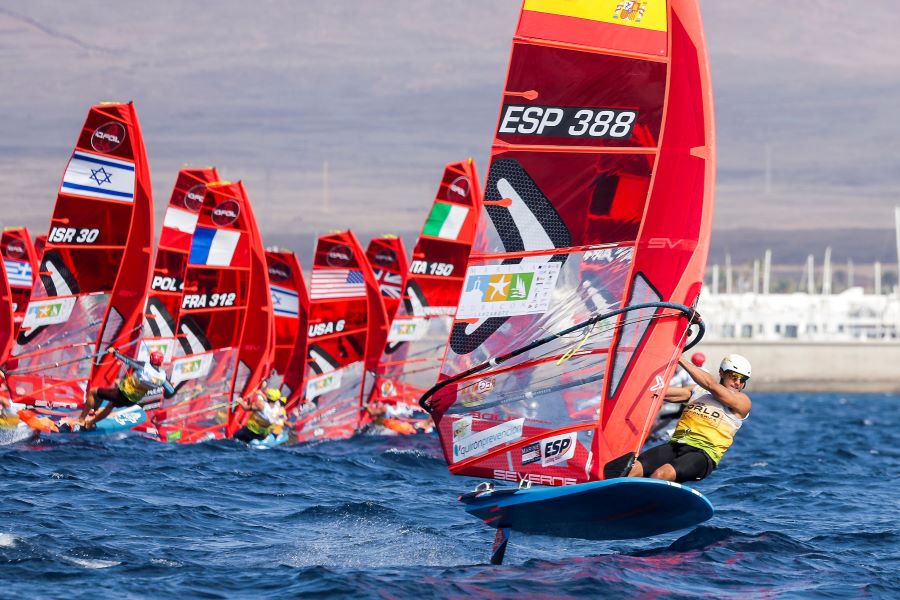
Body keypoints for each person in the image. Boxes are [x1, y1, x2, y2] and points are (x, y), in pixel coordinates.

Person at [629, 354, 752, 483]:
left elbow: (711, 385)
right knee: (632, 469)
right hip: (676, 445)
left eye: (743, 379)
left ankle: (647, 502)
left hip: (703, 455)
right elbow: (660, 392)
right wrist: (637, 385)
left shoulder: (742, 402)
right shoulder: (698, 391)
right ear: (721, 372)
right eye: (734, 376)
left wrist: (678, 358)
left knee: (661, 474)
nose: (738, 382)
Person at [76, 348, 176, 430]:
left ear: (151, 359)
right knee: (110, 405)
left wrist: (115, 352)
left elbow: (128, 361)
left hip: (121, 394)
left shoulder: (144, 366)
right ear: (161, 362)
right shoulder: (163, 377)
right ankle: (91, 422)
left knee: (93, 391)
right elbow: (170, 391)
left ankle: (81, 420)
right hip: (132, 401)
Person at [648, 351, 708, 442]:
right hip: (699, 403)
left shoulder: (685, 372)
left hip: (685, 400)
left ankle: (658, 434)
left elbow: (672, 382)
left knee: (672, 417)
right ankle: (659, 434)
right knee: (676, 417)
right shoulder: (706, 372)